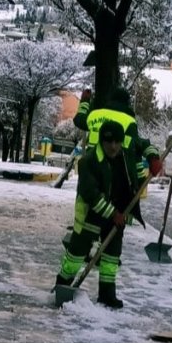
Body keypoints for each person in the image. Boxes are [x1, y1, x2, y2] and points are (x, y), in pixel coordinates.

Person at [54, 118, 152, 309]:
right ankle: (62, 285)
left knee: (111, 257)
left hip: (117, 214)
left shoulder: (125, 155)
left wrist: (154, 158)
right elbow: (91, 195)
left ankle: (107, 294)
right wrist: (113, 213)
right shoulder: (89, 161)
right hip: (92, 214)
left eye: (117, 141)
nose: (113, 146)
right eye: (109, 142)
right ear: (101, 141)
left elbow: (146, 145)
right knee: (76, 254)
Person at [74, 84, 163, 176]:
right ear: (127, 103)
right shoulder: (128, 121)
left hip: (92, 169)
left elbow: (79, 119)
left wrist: (85, 101)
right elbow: (136, 145)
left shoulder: (95, 115)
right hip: (115, 173)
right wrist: (153, 157)